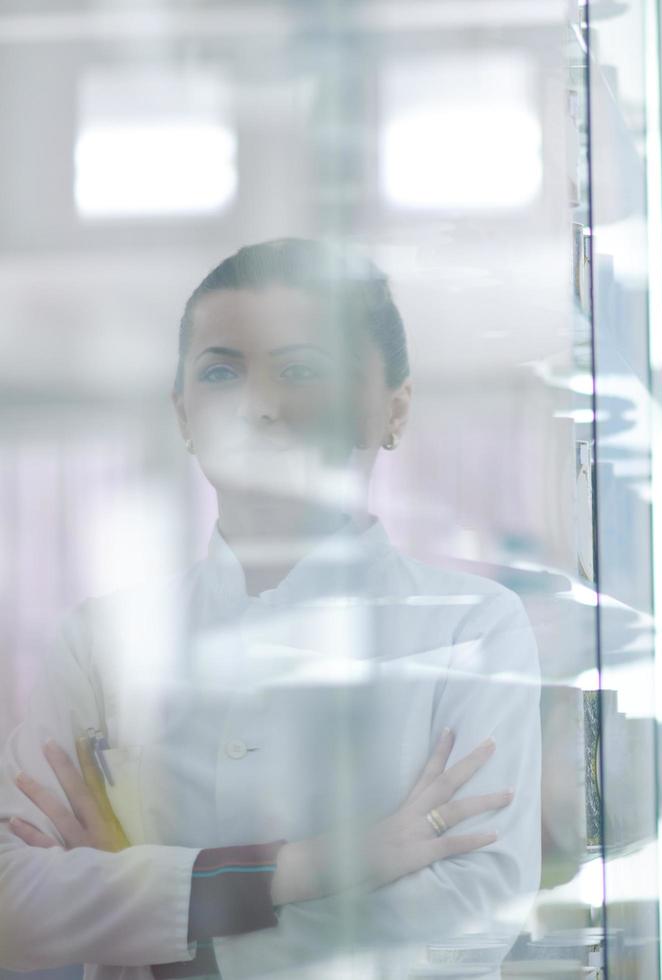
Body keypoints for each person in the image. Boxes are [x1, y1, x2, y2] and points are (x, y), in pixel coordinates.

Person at [0, 239, 541, 978]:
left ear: (393, 408)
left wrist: (156, 917)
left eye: (302, 369)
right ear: (183, 413)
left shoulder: (472, 627)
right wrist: (316, 869)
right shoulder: (101, 639)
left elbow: (473, 914)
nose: (260, 403)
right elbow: (14, 905)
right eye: (222, 370)